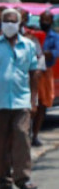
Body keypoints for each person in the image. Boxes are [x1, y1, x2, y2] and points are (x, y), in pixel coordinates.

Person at [0, 8, 40, 189]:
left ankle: (22, 177)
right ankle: (3, 180)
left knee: (22, 136)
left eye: (13, 21)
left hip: (21, 100)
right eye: (6, 21)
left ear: (19, 23)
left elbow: (33, 73)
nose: (9, 24)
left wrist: (34, 99)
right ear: (1, 23)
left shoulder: (28, 45)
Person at [33, 10, 59, 146]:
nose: (44, 23)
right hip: (32, 72)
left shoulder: (54, 37)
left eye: (47, 20)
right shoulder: (35, 35)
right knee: (32, 105)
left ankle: (35, 135)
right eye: (42, 20)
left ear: (51, 21)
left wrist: (45, 53)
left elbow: (55, 53)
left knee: (43, 105)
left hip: (46, 72)